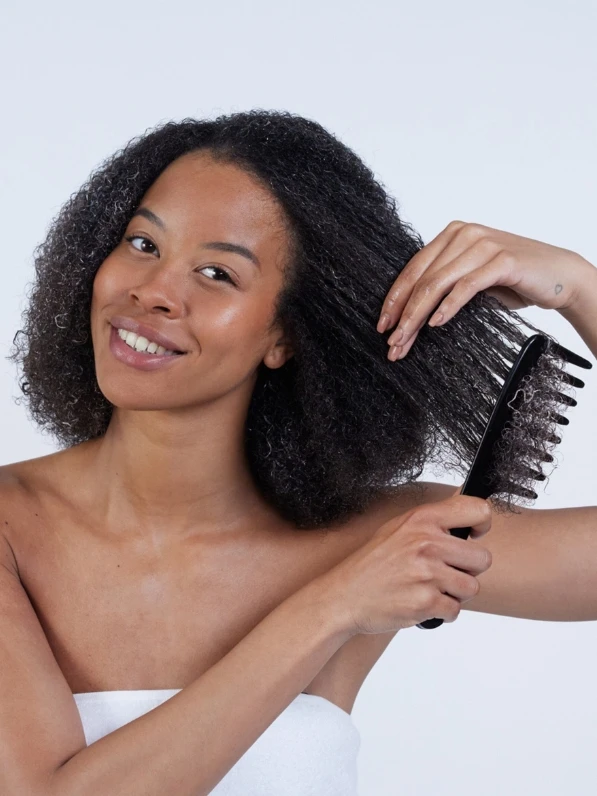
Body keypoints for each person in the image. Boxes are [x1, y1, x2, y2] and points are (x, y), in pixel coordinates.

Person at [1, 110, 595, 795]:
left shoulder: (388, 541)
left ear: (285, 335)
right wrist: (331, 607)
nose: (154, 292)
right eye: (141, 242)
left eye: (217, 273)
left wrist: (581, 286)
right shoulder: (13, 528)